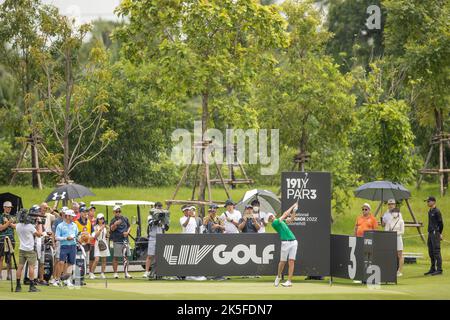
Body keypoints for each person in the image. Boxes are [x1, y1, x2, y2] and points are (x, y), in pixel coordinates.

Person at [269, 202, 298, 287]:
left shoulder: (282, 221)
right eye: (269, 217)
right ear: (269, 220)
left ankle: (289, 281)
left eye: (271, 215)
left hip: (293, 241)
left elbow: (292, 219)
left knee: (291, 261)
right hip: (285, 243)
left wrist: (294, 211)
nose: (271, 217)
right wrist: (293, 205)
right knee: (282, 262)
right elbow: (285, 214)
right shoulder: (275, 223)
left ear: (274, 215)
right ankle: (278, 276)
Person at [15, 210, 43, 292]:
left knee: (20, 267)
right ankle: (31, 286)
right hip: (30, 250)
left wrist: (35, 225)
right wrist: (39, 224)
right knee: (31, 267)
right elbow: (39, 234)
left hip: (22, 249)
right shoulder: (30, 226)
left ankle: (18, 286)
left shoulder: (18, 226)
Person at [54, 209, 78, 287]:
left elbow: (77, 235)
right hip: (64, 246)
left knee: (70, 264)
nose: (73, 218)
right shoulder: (60, 225)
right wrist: (65, 238)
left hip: (73, 246)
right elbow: (57, 237)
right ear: (67, 216)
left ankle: (67, 280)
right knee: (61, 263)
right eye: (71, 216)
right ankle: (57, 280)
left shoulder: (74, 225)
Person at [143, 208, 169, 278]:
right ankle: (146, 272)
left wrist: (165, 220)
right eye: (158, 207)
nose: (159, 208)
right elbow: (152, 223)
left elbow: (166, 228)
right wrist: (158, 218)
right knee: (150, 256)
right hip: (153, 237)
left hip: (160, 237)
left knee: (159, 256)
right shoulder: (150, 216)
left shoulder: (163, 216)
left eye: (160, 207)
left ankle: (158, 272)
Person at [109, 205, 132, 279]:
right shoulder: (113, 220)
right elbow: (111, 229)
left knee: (126, 257)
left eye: (119, 211)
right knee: (116, 257)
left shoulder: (125, 218)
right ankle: (115, 273)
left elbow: (129, 227)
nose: (118, 213)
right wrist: (116, 224)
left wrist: (127, 232)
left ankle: (126, 273)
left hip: (125, 240)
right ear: (114, 212)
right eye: (116, 211)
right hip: (117, 240)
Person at [424, 196, 444, 276]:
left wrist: (440, 233)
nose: (427, 203)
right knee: (431, 251)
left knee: (436, 251)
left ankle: (439, 269)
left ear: (433, 202)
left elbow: (441, 223)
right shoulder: (430, 211)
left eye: (429, 201)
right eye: (427, 201)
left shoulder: (437, 211)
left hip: (435, 233)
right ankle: (433, 269)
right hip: (430, 233)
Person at [385, 207, 405, 277]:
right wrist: (391, 234)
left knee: (400, 255)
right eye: (393, 212)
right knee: (391, 255)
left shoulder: (401, 221)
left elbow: (402, 231)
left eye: (396, 212)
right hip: (391, 239)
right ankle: (391, 269)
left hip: (398, 239)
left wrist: (394, 233)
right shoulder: (389, 221)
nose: (394, 213)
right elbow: (386, 230)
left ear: (398, 213)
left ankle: (399, 271)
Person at [90, 213, 109, 279]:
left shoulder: (105, 227)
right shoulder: (95, 227)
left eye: (103, 218)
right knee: (97, 259)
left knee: (104, 259)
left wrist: (107, 233)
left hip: (104, 243)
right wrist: (100, 229)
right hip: (97, 243)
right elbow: (95, 236)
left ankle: (102, 273)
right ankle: (91, 273)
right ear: (98, 220)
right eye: (100, 218)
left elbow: (107, 235)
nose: (102, 220)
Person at [0, 201, 16, 281]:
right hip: (2, 238)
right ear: (4, 207)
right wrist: (9, 223)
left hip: (11, 238)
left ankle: (9, 275)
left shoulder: (12, 216)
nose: (9, 209)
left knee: (9, 257)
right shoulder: (0, 216)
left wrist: (8, 223)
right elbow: (1, 228)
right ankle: (0, 274)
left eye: (10, 207)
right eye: (8, 207)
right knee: (1, 257)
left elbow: (16, 227)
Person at [75, 207, 93, 271]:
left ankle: (85, 271)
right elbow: (75, 234)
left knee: (86, 258)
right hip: (79, 244)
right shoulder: (76, 222)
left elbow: (92, 232)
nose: (85, 213)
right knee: (79, 259)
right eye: (84, 212)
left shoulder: (88, 222)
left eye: (86, 212)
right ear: (80, 213)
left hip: (87, 243)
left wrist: (89, 238)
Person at [87, 205, 97, 275]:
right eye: (91, 211)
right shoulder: (86, 220)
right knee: (89, 258)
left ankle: (91, 272)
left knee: (93, 258)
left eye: (93, 211)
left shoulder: (96, 220)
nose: (93, 212)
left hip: (94, 242)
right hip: (87, 241)